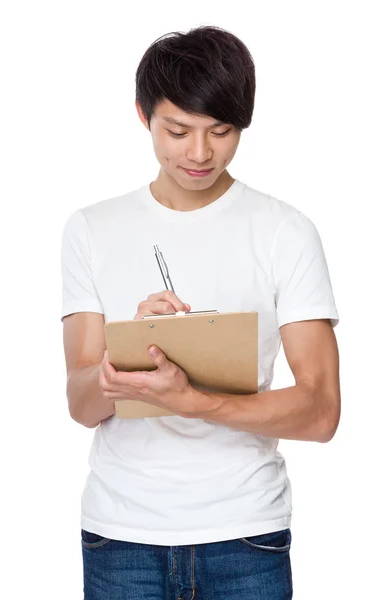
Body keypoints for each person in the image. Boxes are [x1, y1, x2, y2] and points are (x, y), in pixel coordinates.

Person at [61, 25, 340, 600]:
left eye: (222, 130)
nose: (200, 153)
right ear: (143, 115)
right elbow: (81, 404)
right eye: (178, 130)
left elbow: (321, 412)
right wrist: (129, 353)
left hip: (245, 535)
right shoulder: (91, 229)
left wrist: (195, 402)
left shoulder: (284, 231)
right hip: (121, 538)